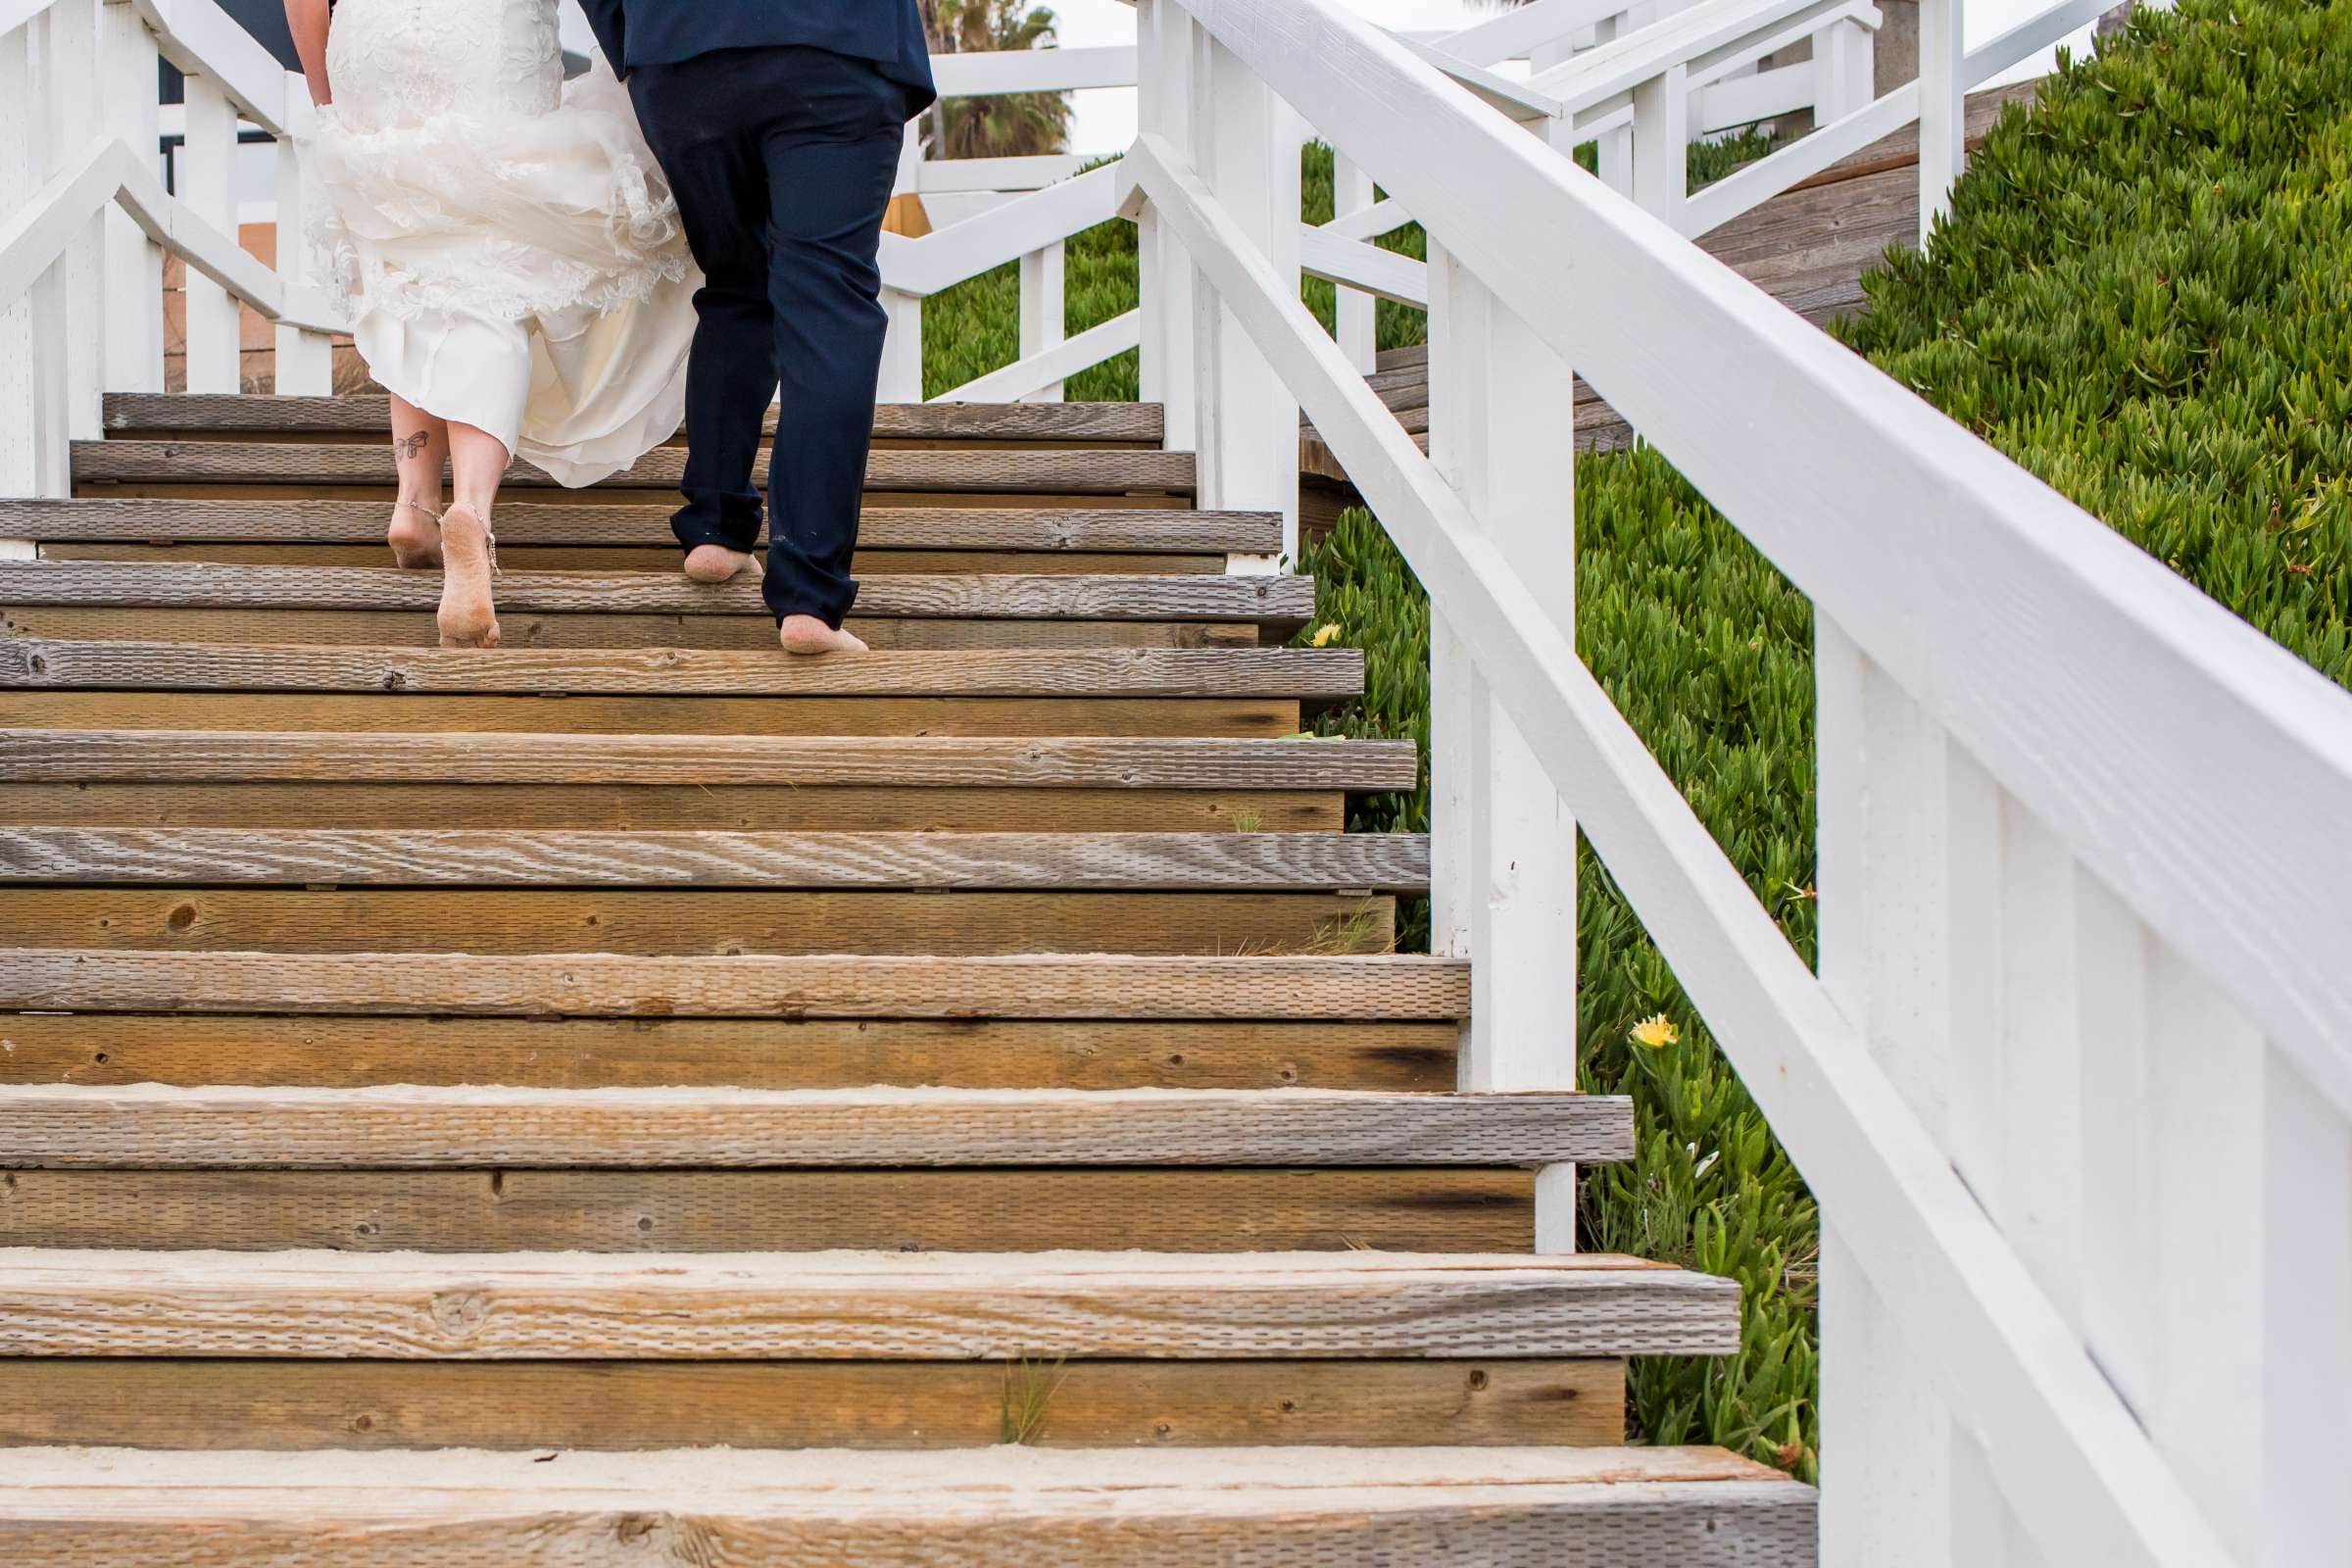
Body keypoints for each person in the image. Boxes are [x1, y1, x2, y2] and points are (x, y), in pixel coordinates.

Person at [284, 0, 701, 650]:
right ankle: (470, 513)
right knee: (492, 268)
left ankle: (415, 502)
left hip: (371, 39)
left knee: (410, 254)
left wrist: (325, 90)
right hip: (484, 38)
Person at [574, 0, 937, 654]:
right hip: (836, 41)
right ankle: (808, 595)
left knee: (737, 283)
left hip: (682, 55)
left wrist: (635, 37)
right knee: (826, 303)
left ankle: (715, 527)